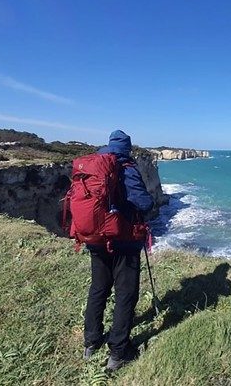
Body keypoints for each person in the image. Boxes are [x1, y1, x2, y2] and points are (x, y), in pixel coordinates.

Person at [83, 130, 154, 372]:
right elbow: (143, 202)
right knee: (125, 294)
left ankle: (91, 343)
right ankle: (118, 352)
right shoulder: (126, 166)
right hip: (123, 240)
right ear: (128, 148)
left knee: (98, 289)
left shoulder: (93, 165)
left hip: (95, 238)